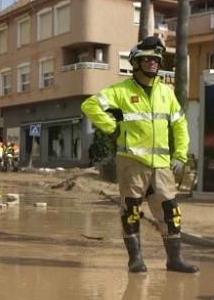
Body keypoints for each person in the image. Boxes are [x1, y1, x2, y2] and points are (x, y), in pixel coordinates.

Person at [81, 35, 198, 274]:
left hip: (163, 166)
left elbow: (180, 124)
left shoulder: (166, 93)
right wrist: (112, 127)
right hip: (132, 163)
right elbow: (90, 105)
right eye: (147, 59)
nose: (153, 63)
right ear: (135, 62)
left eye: (156, 60)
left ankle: (174, 260)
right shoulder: (121, 91)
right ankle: (135, 259)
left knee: (170, 211)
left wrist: (181, 156)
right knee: (131, 210)